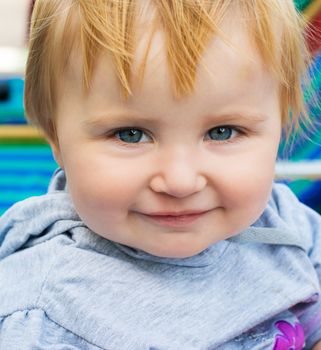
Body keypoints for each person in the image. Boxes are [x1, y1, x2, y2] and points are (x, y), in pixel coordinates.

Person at [0, 0, 320, 348]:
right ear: (55, 138)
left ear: (281, 122)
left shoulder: (281, 221)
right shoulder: (47, 319)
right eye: (130, 134)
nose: (181, 182)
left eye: (223, 132)